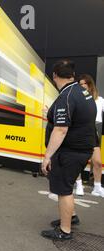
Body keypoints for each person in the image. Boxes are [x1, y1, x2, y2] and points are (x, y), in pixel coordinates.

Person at [41, 60, 97, 240]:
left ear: (55, 75)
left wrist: (47, 156)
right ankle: (71, 217)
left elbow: (61, 129)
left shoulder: (66, 95)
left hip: (71, 151)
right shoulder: (83, 92)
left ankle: (64, 231)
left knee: (63, 189)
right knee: (68, 185)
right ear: (72, 75)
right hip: (82, 149)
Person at [73, 74, 104, 197]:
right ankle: (79, 184)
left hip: (92, 132)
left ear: (90, 85)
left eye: (84, 84)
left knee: (97, 161)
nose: (81, 86)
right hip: (78, 131)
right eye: (80, 84)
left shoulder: (99, 100)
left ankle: (97, 187)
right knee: (78, 161)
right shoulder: (77, 98)